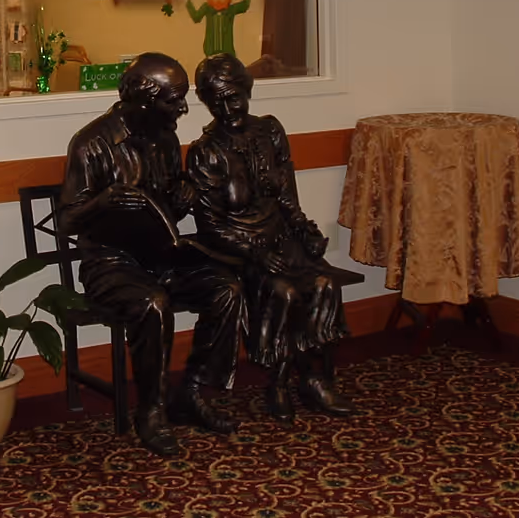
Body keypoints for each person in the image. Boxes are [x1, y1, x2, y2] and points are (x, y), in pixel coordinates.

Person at [58, 53, 244, 457]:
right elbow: (67, 221)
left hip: (160, 255)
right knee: (153, 304)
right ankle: (151, 410)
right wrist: (103, 202)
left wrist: (183, 198)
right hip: (110, 264)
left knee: (226, 289)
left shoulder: (164, 138)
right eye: (174, 99)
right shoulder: (91, 144)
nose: (182, 108)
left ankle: (190, 393)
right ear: (143, 100)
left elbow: (166, 212)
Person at [186, 52, 355, 422]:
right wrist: (254, 254)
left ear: (248, 90)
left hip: (282, 240)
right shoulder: (205, 153)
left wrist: (306, 230)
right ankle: (278, 382)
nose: (228, 107)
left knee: (325, 284)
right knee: (284, 293)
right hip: (239, 251)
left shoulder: (270, 131)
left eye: (234, 96)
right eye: (216, 100)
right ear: (205, 101)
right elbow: (210, 225)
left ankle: (314, 379)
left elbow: (287, 198)